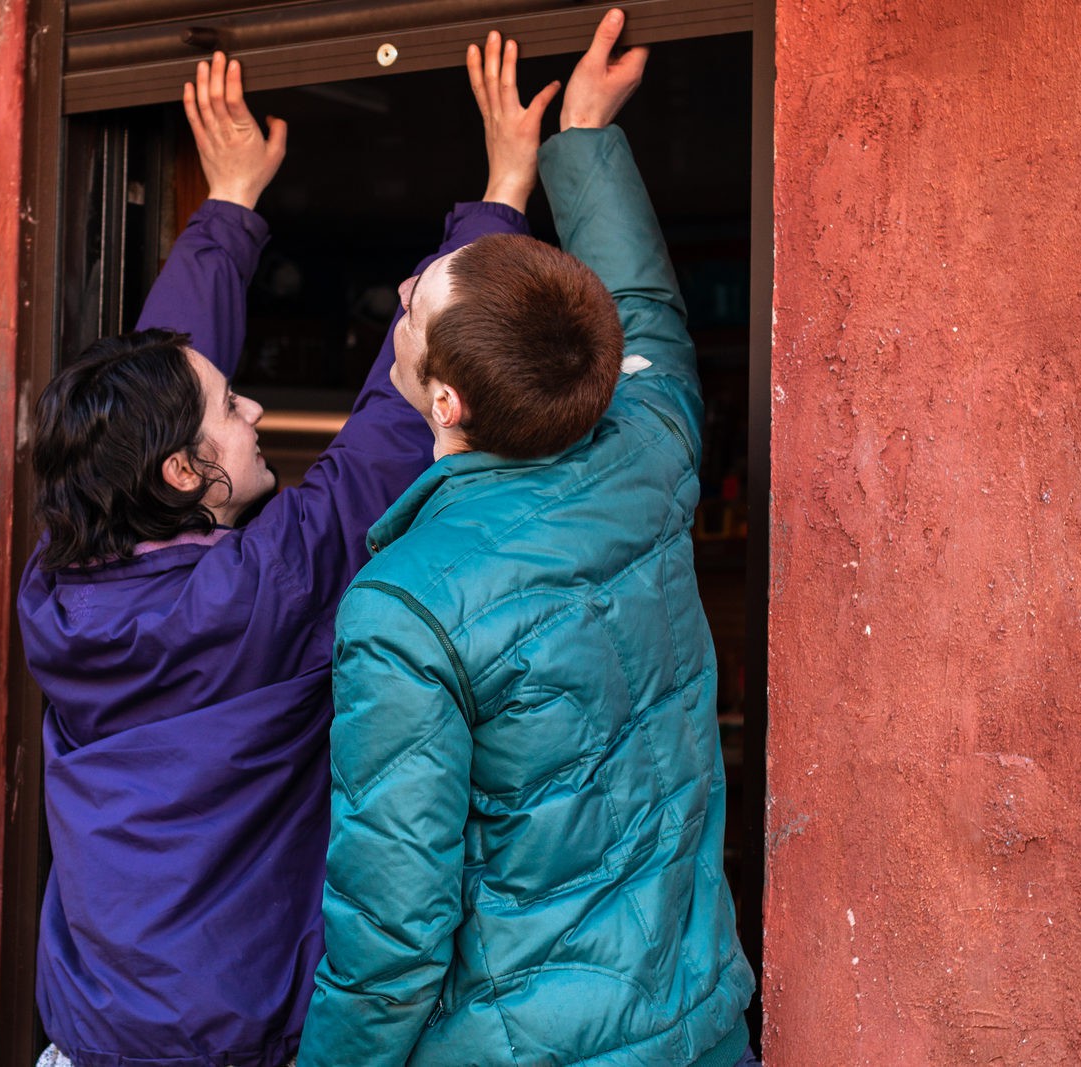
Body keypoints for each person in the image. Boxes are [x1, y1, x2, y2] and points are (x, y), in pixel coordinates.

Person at [17, 43, 560, 1067]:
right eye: (232, 409)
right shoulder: (255, 592)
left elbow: (146, 402)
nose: (255, 409)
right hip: (227, 1048)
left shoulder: (59, 582)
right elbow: (391, 425)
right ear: (183, 472)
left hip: (84, 1041)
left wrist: (227, 209)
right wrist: (500, 196)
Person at [297, 10, 758, 1066]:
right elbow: (647, 322)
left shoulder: (404, 606)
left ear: (445, 401)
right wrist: (584, 138)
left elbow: (391, 935)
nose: (405, 288)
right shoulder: (651, 452)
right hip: (696, 1030)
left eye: (417, 307)